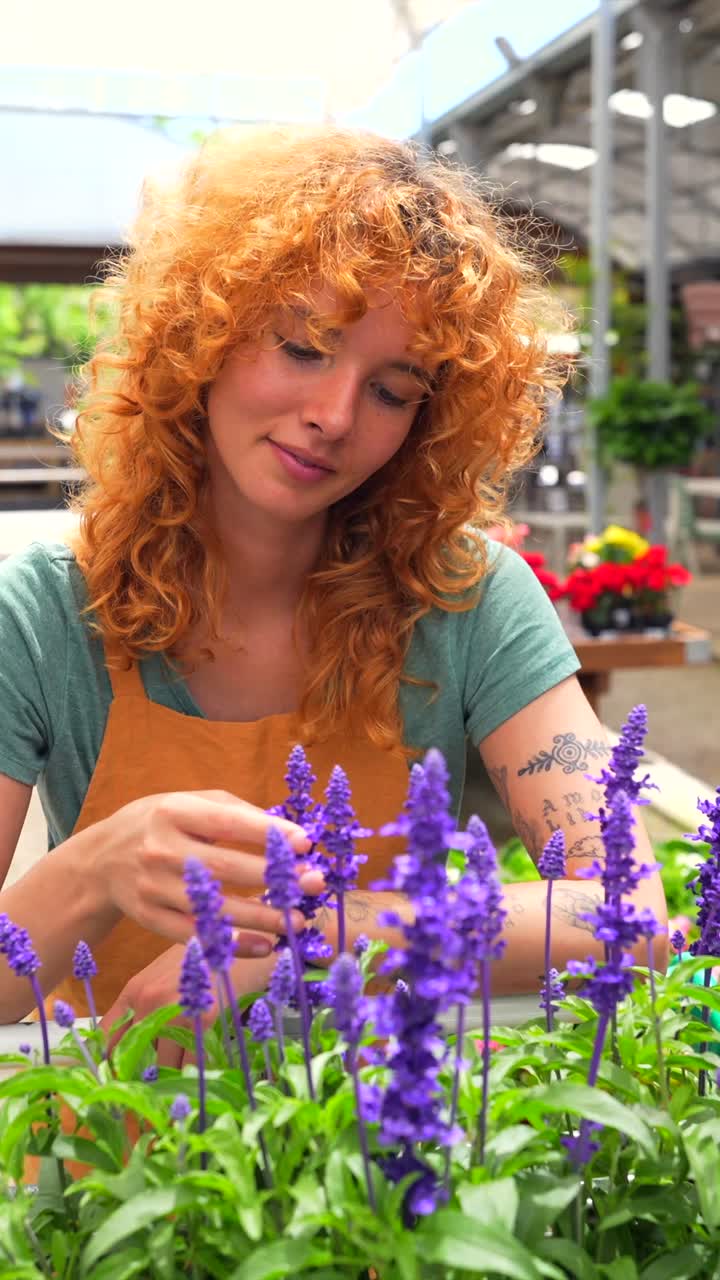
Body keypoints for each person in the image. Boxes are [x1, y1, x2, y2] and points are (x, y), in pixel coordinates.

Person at [0, 126, 667, 1050]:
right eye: (304, 347)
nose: (334, 416)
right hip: (121, 1179)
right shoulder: (41, 613)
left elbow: (630, 907)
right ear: (203, 333)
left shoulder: (467, 600)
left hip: (389, 1172)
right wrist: (98, 866)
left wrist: (317, 937)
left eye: (394, 390)